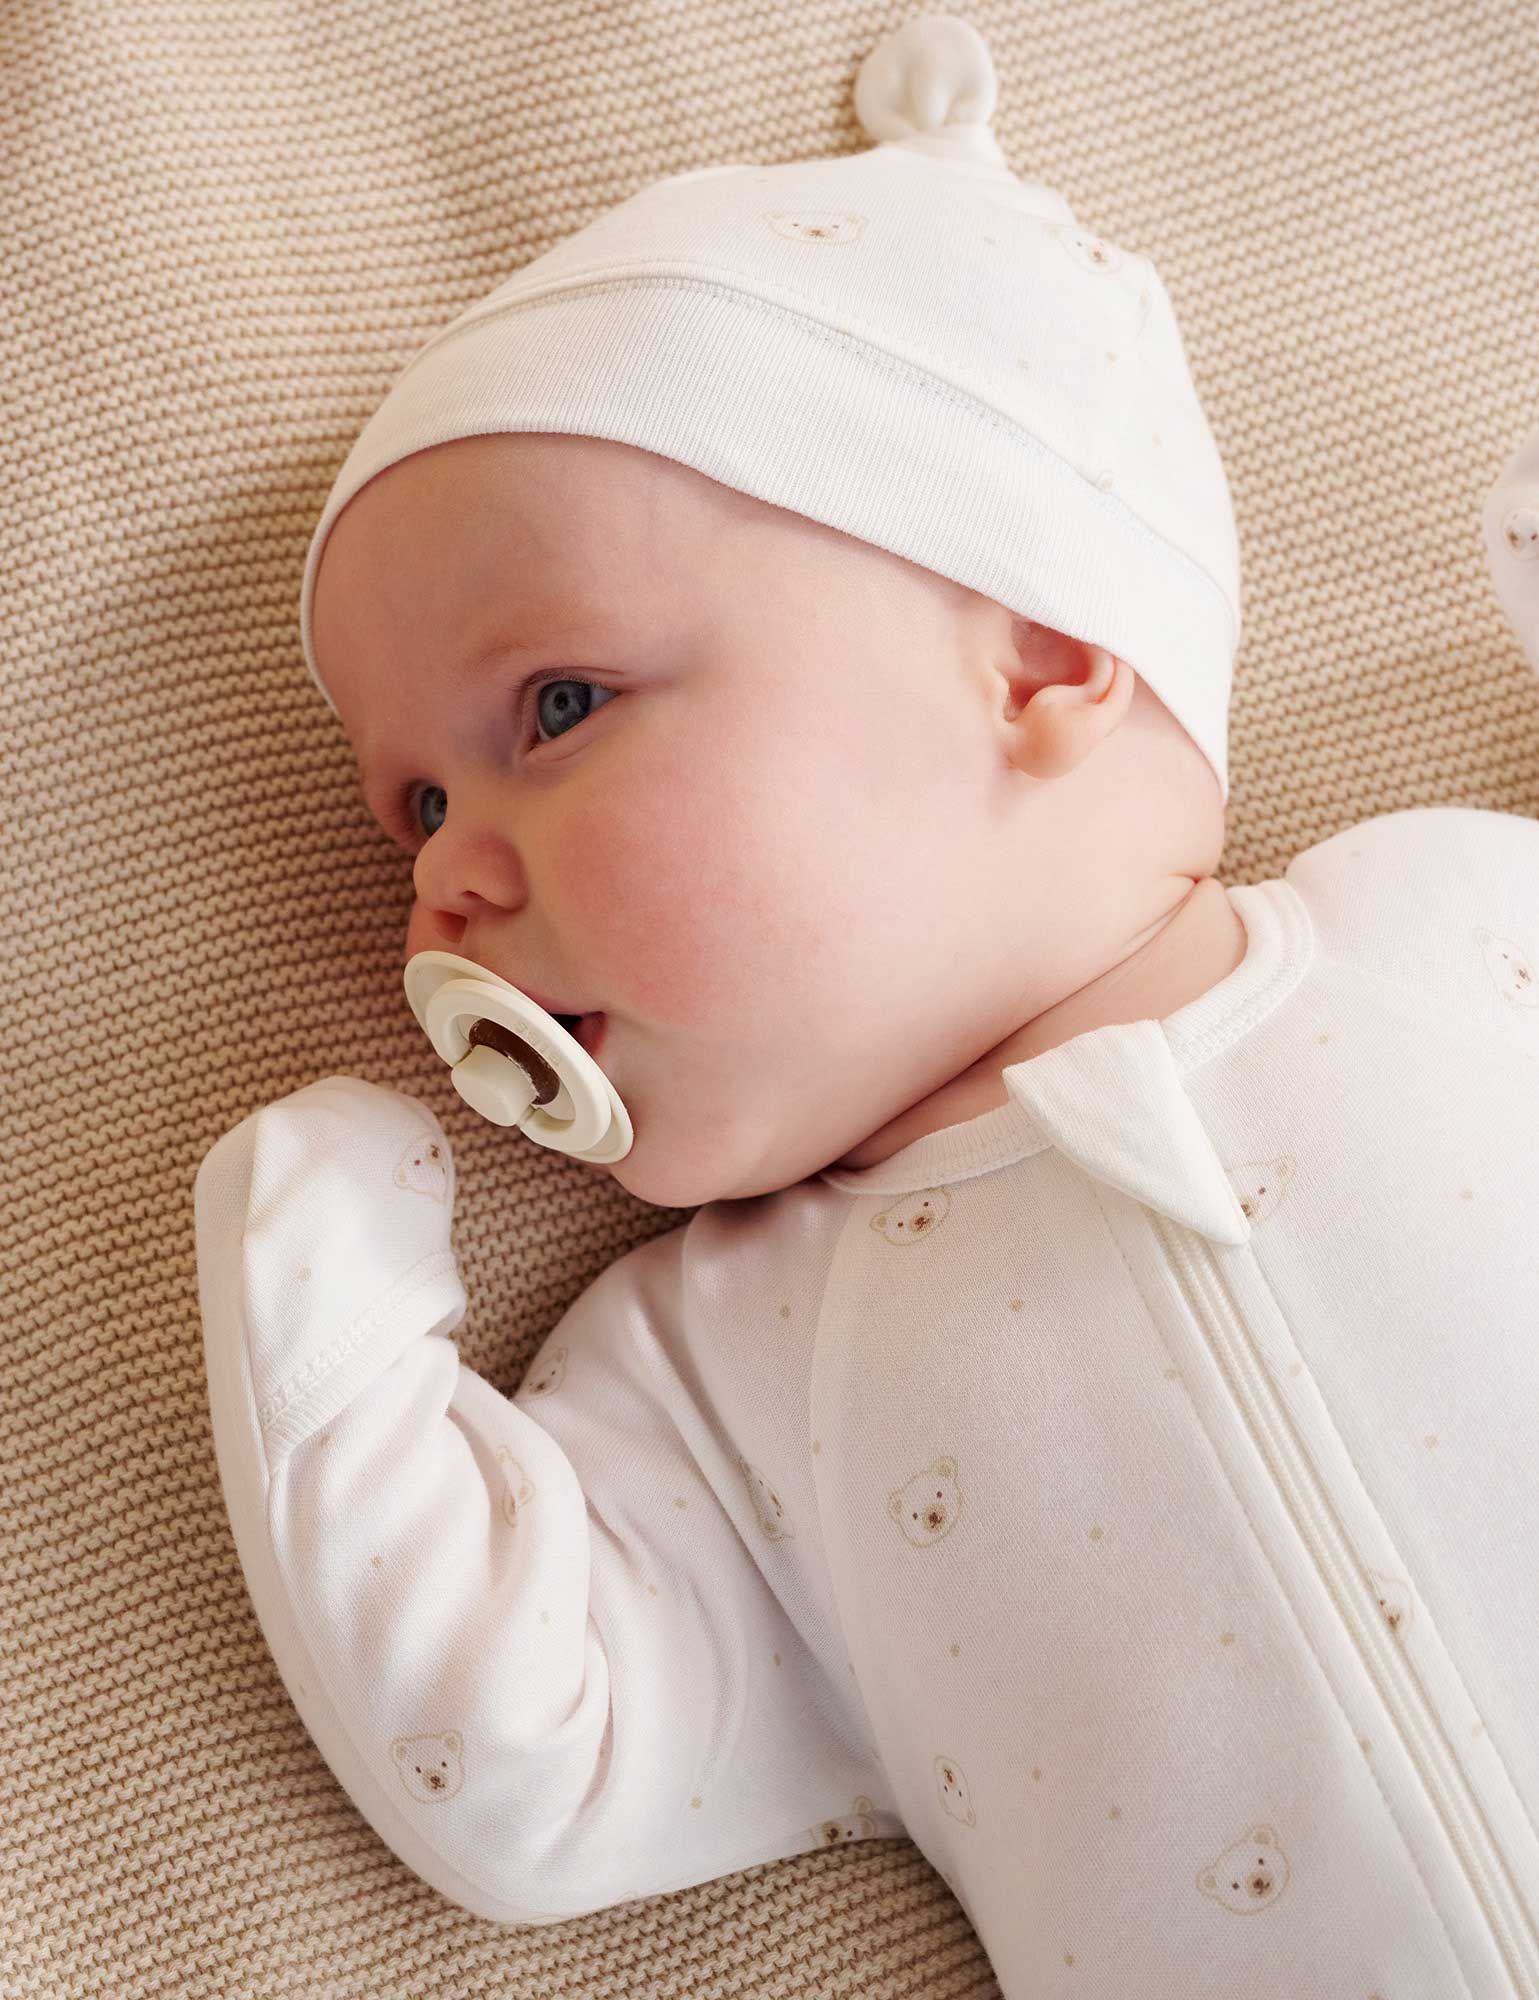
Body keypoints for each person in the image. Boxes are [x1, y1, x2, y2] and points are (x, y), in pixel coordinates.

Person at [193, 16, 1539, 1993]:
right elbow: (515, 1751)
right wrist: (317, 1286)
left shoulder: (1454, 920)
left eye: (554, 705)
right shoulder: (719, 1377)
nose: (440, 879)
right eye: (415, 803)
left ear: (1040, 651)